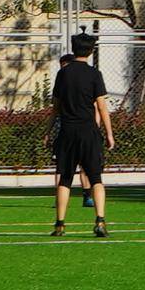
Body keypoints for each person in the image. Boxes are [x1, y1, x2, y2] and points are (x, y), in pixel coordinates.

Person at [49, 31, 115, 237]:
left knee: (65, 179)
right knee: (96, 178)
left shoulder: (63, 74)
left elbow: (55, 107)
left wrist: (47, 131)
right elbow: (102, 107)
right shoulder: (95, 74)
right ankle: (100, 221)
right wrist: (110, 134)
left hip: (67, 132)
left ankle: (60, 224)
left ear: (73, 48)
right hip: (89, 132)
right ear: (91, 50)